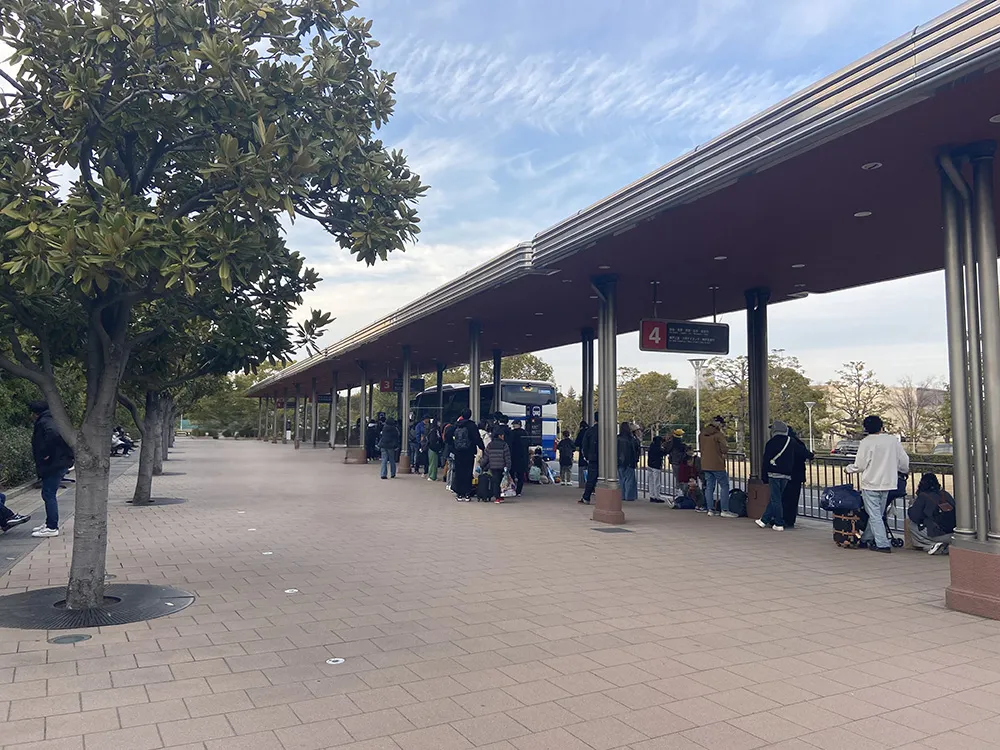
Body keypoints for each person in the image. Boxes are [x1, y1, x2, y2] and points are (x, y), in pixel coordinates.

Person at [846, 415, 910, 553]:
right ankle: (866, 539)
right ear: (881, 426)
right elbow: (904, 460)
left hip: (871, 483)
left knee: (874, 514)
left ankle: (882, 544)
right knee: (877, 514)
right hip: (888, 482)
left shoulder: (866, 442)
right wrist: (904, 471)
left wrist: (849, 469)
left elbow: (860, 465)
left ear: (866, 429)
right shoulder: (892, 440)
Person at [29, 401, 73, 538]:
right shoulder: (52, 418)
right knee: (47, 493)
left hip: (54, 463)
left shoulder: (46, 421)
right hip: (58, 462)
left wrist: (46, 453)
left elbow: (53, 434)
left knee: (49, 493)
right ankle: (49, 523)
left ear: (35, 413)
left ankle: (52, 526)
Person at [756, 420, 808, 532]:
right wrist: (812, 455)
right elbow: (804, 453)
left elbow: (766, 461)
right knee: (779, 498)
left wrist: (764, 477)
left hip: (774, 473)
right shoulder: (793, 441)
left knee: (776, 498)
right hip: (788, 475)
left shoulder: (771, 443)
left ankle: (778, 522)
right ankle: (764, 520)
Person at [907, 473, 955, 555]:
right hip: (954, 533)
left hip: (938, 534)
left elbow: (915, 517)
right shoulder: (945, 494)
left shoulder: (923, 496)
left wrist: (912, 506)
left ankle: (930, 546)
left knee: (912, 525)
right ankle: (943, 546)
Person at [699, 416, 736, 518]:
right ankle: (724, 509)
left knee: (709, 487)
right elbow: (724, 449)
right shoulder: (719, 435)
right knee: (724, 486)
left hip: (705, 463)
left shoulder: (702, 434)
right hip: (717, 464)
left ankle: (710, 509)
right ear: (719, 424)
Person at [446, 410, 484, 501]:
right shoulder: (472, 425)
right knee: (468, 472)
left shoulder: (456, 425)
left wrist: (453, 445)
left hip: (458, 452)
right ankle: (467, 494)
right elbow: (477, 438)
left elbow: (447, 436)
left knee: (459, 472)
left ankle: (459, 494)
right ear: (470, 415)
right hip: (469, 452)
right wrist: (482, 447)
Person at [781, 427, 813, 529]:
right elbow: (806, 454)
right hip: (796, 475)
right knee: (792, 499)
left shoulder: (783, 442)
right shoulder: (796, 443)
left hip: (785, 473)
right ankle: (789, 520)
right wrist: (812, 454)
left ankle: (781, 519)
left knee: (783, 498)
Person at [487, 428, 512, 503]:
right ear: (499, 436)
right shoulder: (504, 444)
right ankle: (500, 496)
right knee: (502, 481)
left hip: (493, 466)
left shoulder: (490, 445)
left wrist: (483, 465)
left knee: (496, 481)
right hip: (502, 466)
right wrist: (508, 466)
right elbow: (507, 457)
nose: (503, 436)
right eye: (502, 435)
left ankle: (497, 497)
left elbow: (486, 456)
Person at [580, 413, 600, 504]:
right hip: (606, 459)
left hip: (593, 458)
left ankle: (586, 497)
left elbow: (584, 445)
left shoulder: (590, 431)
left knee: (591, 478)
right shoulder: (607, 430)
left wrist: (587, 457)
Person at [617, 421, 639, 501]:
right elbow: (636, 449)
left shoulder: (617, 438)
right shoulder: (632, 439)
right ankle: (629, 496)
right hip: (630, 461)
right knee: (629, 480)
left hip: (620, 461)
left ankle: (622, 495)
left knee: (621, 479)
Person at [508, 419, 530, 497]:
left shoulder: (511, 433)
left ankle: (513, 489)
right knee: (520, 475)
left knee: (512, 474)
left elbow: (509, 444)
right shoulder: (525, 433)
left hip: (513, 456)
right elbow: (527, 444)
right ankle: (519, 491)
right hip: (522, 457)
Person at [666, 429, 688, 493]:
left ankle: (678, 492)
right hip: (682, 462)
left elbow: (667, 449)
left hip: (674, 462)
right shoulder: (682, 444)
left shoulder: (672, 443)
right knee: (683, 478)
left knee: (678, 479)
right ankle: (683, 492)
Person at [646, 435, 665, 503]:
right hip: (656, 466)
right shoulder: (658, 448)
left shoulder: (651, 446)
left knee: (651, 481)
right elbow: (664, 452)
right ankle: (657, 497)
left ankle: (652, 496)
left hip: (650, 465)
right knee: (657, 482)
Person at [574, 420, 589, 487]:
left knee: (582, 468)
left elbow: (576, 443)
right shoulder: (590, 431)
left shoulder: (581, 432)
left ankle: (582, 484)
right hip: (591, 454)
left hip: (582, 453)